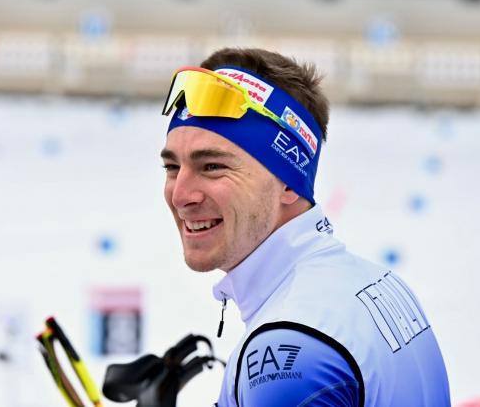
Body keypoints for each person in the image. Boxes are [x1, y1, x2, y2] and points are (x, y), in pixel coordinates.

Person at [159, 48, 450, 406]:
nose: (180, 195)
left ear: (289, 182)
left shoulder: (284, 356)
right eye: (172, 168)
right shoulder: (374, 282)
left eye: (213, 167)